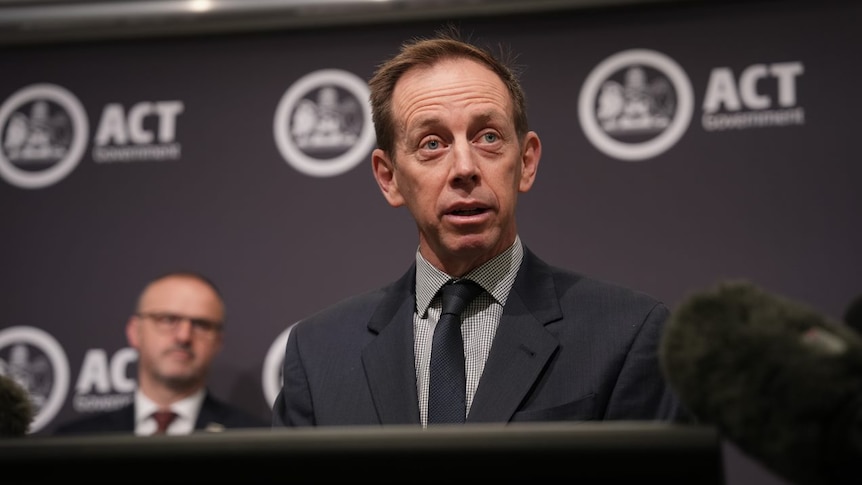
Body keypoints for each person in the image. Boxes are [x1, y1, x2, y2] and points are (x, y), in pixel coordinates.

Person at [271, 26, 686, 428]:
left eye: (487, 137)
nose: (465, 168)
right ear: (389, 177)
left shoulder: (627, 333)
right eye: (432, 144)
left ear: (525, 162)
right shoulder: (318, 352)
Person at [54, 271, 269, 436]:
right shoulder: (74, 442)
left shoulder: (253, 439)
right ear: (135, 332)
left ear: (219, 341)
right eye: (168, 320)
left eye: (201, 325)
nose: (184, 336)